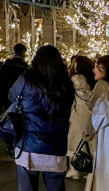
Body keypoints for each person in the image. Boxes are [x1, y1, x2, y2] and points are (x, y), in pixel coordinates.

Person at [8, 45, 74, 191]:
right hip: (56, 147)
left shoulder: (25, 79)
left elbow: (12, 96)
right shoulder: (66, 84)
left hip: (28, 145)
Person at [65, 56, 95, 180]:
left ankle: (74, 170)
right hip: (91, 114)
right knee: (90, 143)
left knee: (74, 141)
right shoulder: (93, 80)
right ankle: (89, 171)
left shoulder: (76, 78)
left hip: (78, 113)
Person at [86, 55, 109, 190]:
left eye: (98, 67)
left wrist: (88, 131)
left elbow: (100, 115)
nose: (94, 70)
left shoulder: (102, 86)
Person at [0, 43, 28, 117]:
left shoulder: (6, 64)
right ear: (24, 53)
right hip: (21, 95)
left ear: (14, 51)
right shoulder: (25, 66)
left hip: (6, 93)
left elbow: (0, 81)